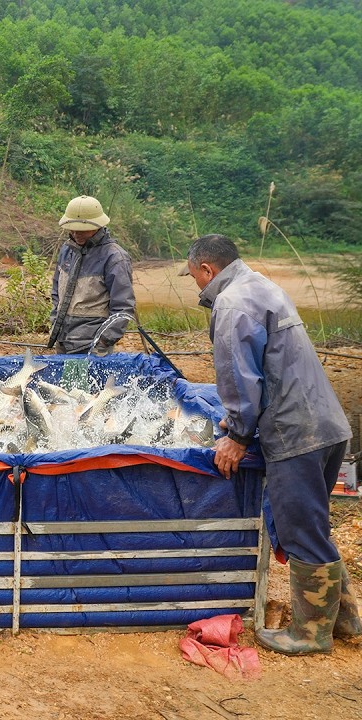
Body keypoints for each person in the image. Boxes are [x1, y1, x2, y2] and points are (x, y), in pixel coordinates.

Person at [181, 234, 360, 654]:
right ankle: (346, 619)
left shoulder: (231, 303)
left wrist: (238, 436)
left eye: (194, 279)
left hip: (295, 433)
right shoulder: (261, 285)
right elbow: (273, 364)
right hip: (327, 424)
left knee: (300, 530)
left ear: (207, 270)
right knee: (313, 525)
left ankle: (309, 634)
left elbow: (238, 374)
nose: (196, 288)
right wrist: (242, 416)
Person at [48, 195, 136, 355]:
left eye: (82, 229)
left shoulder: (115, 257)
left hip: (93, 347)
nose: (76, 233)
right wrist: (55, 321)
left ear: (98, 226)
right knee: (64, 381)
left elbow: (123, 307)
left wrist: (103, 341)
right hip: (63, 340)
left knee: (90, 381)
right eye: (72, 228)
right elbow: (56, 292)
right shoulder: (66, 251)